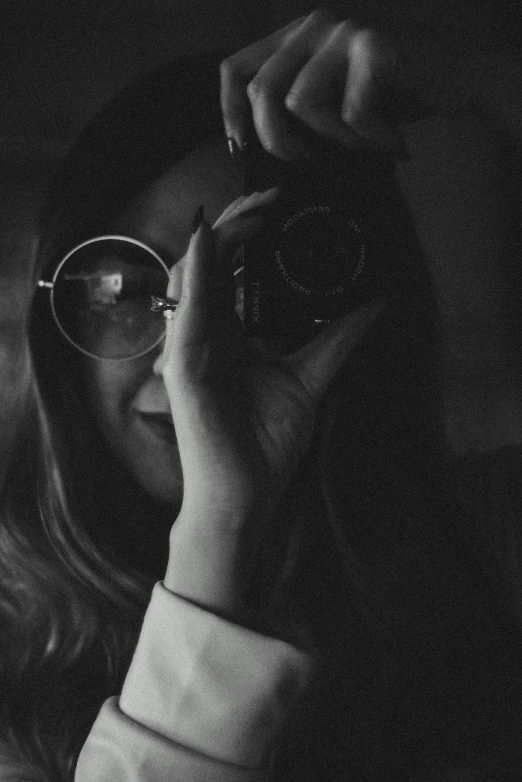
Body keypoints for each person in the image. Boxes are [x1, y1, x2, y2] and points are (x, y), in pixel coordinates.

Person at [1, 6, 521, 780]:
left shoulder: (492, 545)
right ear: (54, 322)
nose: (187, 352)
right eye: (125, 286)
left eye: (239, 280)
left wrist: (488, 75)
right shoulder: (11, 659)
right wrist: (222, 525)